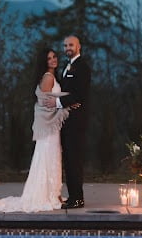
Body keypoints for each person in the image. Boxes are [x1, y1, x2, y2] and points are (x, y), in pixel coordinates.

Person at [0, 48, 75, 213]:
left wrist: (67, 100)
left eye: (54, 57)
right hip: (48, 128)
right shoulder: (48, 77)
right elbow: (45, 103)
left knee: (52, 159)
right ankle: (47, 195)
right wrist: (68, 101)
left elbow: (53, 99)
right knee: (48, 159)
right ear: (44, 62)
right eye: (49, 58)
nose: (53, 60)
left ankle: (53, 194)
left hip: (52, 128)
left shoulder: (52, 77)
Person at [44, 35, 91, 209]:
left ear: (79, 46)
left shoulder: (82, 67)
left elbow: (79, 95)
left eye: (71, 45)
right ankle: (73, 197)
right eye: (65, 46)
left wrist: (57, 102)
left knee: (74, 160)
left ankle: (77, 199)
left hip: (76, 121)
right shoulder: (67, 65)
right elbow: (67, 91)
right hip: (66, 120)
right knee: (70, 160)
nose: (67, 48)